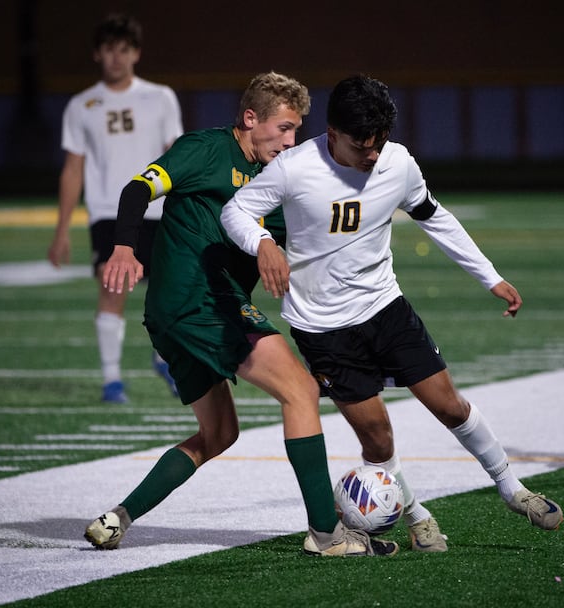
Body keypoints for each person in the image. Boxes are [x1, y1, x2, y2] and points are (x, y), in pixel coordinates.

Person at [221, 74, 564, 549]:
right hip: (322, 327)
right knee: (378, 441)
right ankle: (416, 512)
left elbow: (433, 216)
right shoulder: (294, 168)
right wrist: (262, 243)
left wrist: (490, 276)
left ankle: (513, 489)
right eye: (362, 144)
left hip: (385, 306)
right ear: (333, 133)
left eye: (380, 142)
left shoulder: (398, 162)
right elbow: (235, 210)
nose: (373, 154)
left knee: (449, 405)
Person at [84, 71, 398, 558]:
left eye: (297, 130)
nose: (292, 140)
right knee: (300, 390)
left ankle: (118, 517)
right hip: (200, 300)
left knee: (219, 433)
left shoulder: (279, 179)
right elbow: (135, 191)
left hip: (174, 316)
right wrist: (124, 246)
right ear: (251, 119)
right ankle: (326, 534)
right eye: (285, 128)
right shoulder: (204, 149)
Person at [47, 13, 183, 404]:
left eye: (124, 49)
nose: (116, 58)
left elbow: (177, 156)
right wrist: (60, 232)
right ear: (97, 53)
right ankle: (112, 381)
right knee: (113, 293)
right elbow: (73, 169)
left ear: (136, 53)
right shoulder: (81, 105)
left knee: (168, 295)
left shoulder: (160, 97)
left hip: (157, 210)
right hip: (108, 213)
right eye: (109, 49)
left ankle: (163, 358)